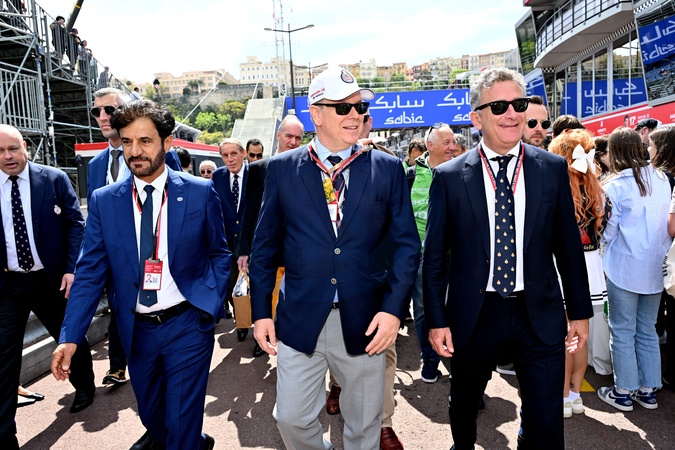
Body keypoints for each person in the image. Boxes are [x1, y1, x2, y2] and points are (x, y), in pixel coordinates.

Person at [250, 67, 420, 450]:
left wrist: (393, 310)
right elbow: (263, 248)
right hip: (300, 317)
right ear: (316, 113)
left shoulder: (387, 168)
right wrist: (261, 312)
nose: (355, 115)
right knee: (291, 419)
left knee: (365, 426)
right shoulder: (282, 169)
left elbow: (407, 246)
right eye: (343, 107)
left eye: (359, 107)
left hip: (366, 320)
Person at [423, 68, 592, 450]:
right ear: (476, 118)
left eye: (519, 103)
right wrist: (436, 320)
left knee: (546, 420)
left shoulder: (551, 168)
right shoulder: (449, 177)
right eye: (499, 106)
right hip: (474, 314)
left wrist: (580, 312)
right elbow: (433, 258)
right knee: (464, 404)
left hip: (539, 314)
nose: (512, 113)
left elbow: (568, 248)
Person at [52, 100, 229, 450]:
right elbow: (89, 272)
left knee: (181, 422)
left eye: (145, 141)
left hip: (188, 323)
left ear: (167, 142)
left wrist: (209, 301)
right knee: (152, 416)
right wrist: (70, 336)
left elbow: (219, 253)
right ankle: (196, 441)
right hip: (136, 329)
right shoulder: (105, 201)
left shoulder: (198, 191)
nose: (135, 151)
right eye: (128, 141)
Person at [0, 125, 95, 450]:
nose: (8, 156)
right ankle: (5, 435)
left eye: (13, 148)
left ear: (25, 147)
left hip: (51, 279)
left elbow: (75, 224)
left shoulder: (53, 179)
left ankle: (85, 386)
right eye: (0, 151)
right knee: (3, 358)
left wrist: (72, 268)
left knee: (68, 335)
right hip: (9, 285)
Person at [597, 127, 671, 412]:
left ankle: (623, 391)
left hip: (624, 266)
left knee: (623, 330)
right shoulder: (661, 178)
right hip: (655, 265)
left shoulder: (615, 185)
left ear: (615, 151)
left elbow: (609, 230)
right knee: (647, 329)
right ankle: (649, 390)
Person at [548, 128, 610, 418]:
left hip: (562, 265)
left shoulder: (555, 186)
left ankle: (561, 397)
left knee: (562, 334)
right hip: (591, 265)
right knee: (580, 331)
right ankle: (574, 395)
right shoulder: (597, 187)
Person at [238, 116, 305, 358]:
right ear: (278, 136)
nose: (293, 142)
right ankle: (265, 338)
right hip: (270, 250)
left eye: (298, 138)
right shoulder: (258, 169)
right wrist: (244, 249)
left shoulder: (309, 167)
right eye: (289, 136)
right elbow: (248, 211)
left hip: (300, 250)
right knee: (269, 295)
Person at [408, 123, 455, 385]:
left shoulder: (461, 171)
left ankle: (458, 361)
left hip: (456, 256)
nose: (452, 147)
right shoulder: (410, 175)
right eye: (446, 142)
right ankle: (430, 359)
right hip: (422, 257)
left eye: (453, 142)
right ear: (430, 146)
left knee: (458, 309)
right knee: (423, 309)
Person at [212, 138, 248, 336]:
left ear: (243, 153)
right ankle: (241, 322)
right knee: (231, 285)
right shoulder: (218, 176)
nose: (230, 159)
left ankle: (257, 323)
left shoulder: (256, 174)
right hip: (227, 243)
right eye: (225, 155)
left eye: (234, 154)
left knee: (257, 286)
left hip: (252, 242)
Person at [649, 125, 675, 390]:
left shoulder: (663, 178)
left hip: (664, 255)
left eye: (651, 146)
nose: (648, 150)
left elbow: (670, 226)